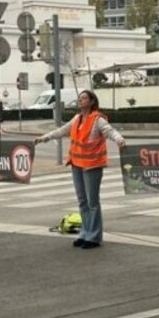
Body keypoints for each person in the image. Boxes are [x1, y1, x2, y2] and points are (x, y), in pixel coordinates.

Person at [34, 90, 125, 249]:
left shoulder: (97, 119)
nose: (80, 101)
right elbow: (62, 130)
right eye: (79, 98)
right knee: (82, 201)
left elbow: (110, 132)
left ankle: (94, 237)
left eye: (84, 98)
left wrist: (119, 139)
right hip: (77, 164)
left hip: (92, 165)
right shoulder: (77, 118)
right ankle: (85, 233)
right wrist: (44, 137)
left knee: (92, 202)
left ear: (91, 101)